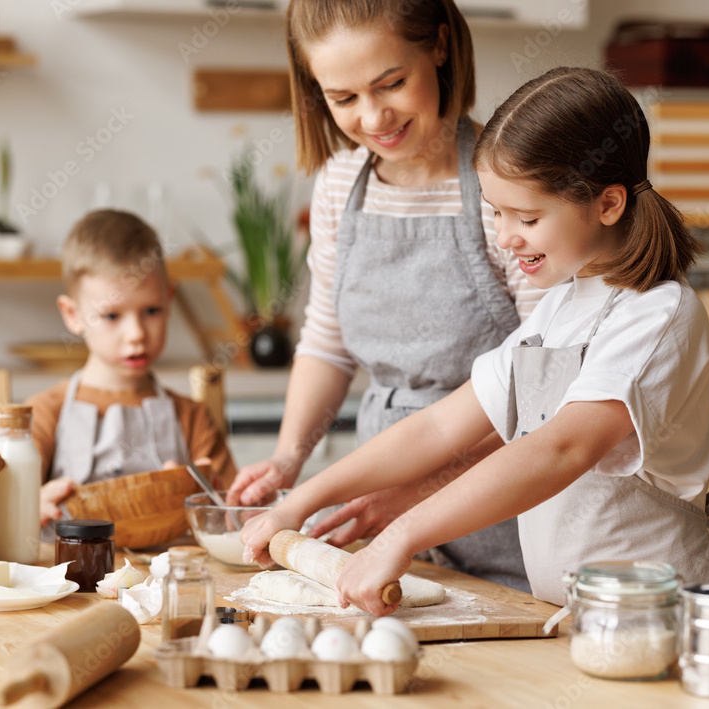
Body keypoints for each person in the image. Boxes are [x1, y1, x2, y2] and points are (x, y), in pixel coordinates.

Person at [240, 66, 709, 615]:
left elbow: (561, 447)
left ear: (609, 203)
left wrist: (399, 536)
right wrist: (299, 502)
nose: (504, 236)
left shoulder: (658, 315)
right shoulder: (557, 311)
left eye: (526, 216)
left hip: (661, 617)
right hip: (577, 617)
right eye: (496, 212)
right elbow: (438, 425)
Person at [226, 0, 545, 592]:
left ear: (441, 47)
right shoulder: (339, 185)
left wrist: (412, 495)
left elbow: (539, 392)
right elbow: (327, 344)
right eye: (343, 98)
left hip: (502, 500)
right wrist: (287, 459)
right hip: (380, 498)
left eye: (392, 82)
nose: (373, 117)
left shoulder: (504, 187)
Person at [28, 209, 236, 526]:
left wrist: (207, 500)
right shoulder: (42, 414)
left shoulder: (193, 419)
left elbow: (233, 518)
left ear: (169, 301)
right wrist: (29, 507)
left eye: (151, 310)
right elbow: (3, 513)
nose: (137, 333)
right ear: (73, 315)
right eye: (112, 316)